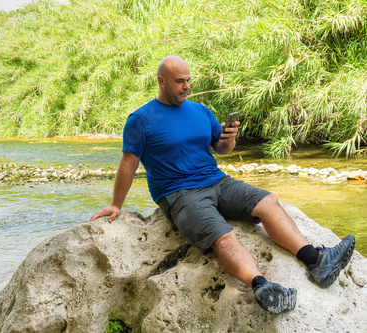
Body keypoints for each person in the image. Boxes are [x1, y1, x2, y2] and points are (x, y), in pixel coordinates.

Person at [90, 56, 355, 314]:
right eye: (180, 81)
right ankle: (262, 287)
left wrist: (229, 138)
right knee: (224, 237)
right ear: (161, 81)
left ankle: (316, 261)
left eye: (189, 80)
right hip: (179, 194)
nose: (187, 86)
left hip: (218, 181)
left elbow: (221, 149)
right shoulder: (140, 119)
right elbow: (128, 164)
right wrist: (116, 204)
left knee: (269, 202)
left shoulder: (200, 110)